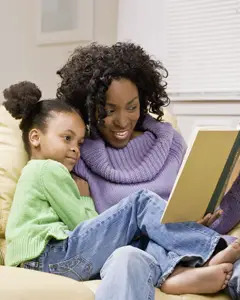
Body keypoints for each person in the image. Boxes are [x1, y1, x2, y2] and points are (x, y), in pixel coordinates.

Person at [3, 81, 240, 300]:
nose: (75, 149)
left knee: (137, 242)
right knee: (141, 202)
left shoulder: (40, 172)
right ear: (35, 138)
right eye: (67, 138)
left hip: (50, 260)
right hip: (48, 258)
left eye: (79, 143)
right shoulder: (47, 170)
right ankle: (214, 247)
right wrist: (85, 200)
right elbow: (81, 222)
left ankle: (176, 272)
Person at [56, 42, 240, 298]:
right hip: (136, 249)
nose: (122, 121)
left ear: (143, 100)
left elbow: (194, 201)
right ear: (89, 107)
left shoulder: (170, 141)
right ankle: (177, 274)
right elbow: (93, 231)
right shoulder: (79, 153)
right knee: (128, 258)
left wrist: (199, 221)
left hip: (195, 241)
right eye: (109, 111)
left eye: (132, 107)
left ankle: (189, 267)